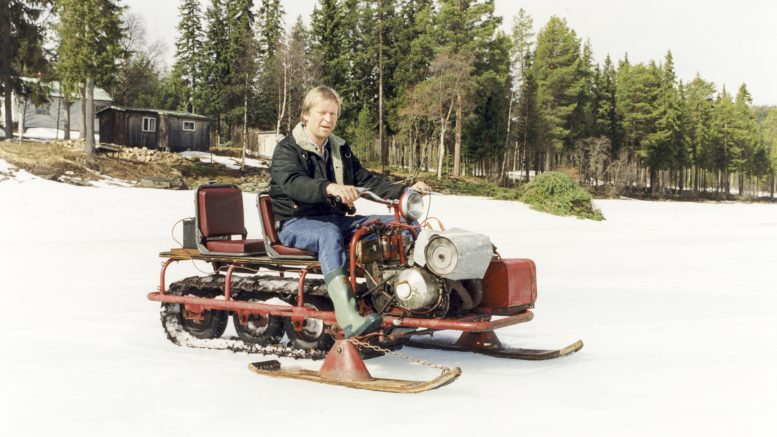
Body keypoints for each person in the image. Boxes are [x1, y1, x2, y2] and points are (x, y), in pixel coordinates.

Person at [269, 86, 430, 338]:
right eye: (322, 112)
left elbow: (367, 180)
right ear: (306, 115)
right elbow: (294, 183)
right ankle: (348, 317)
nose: (328, 119)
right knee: (328, 234)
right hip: (295, 222)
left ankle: (416, 296)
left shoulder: (339, 149)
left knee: (400, 224)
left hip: (334, 219)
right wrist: (329, 187)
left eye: (333, 114)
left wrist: (405, 190)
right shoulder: (287, 149)